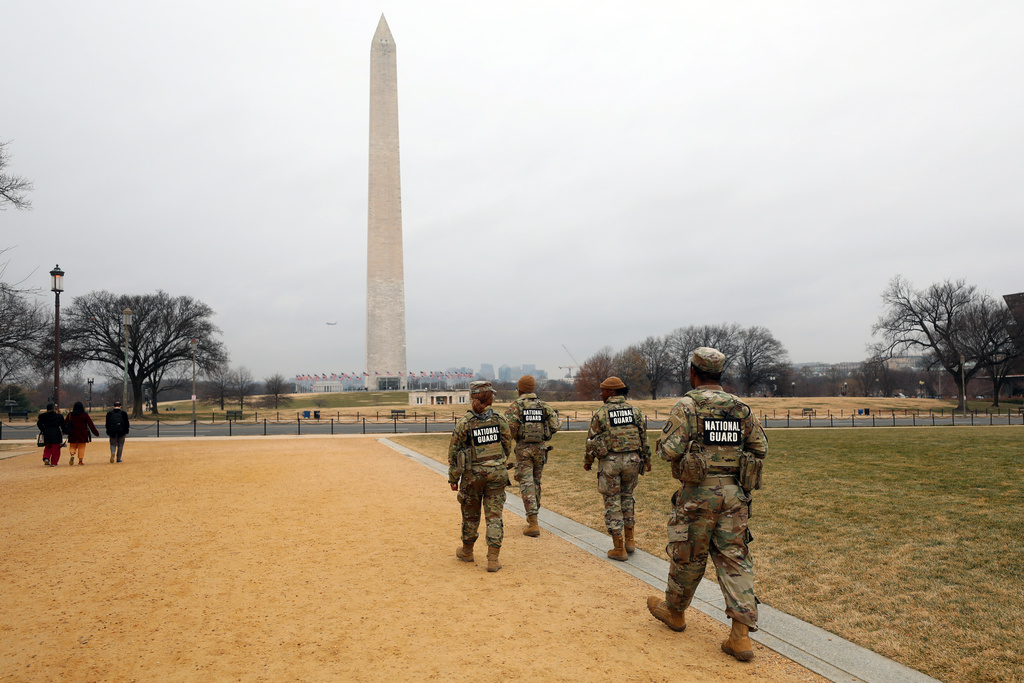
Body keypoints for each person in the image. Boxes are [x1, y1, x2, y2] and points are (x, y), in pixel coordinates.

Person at [646, 347, 768, 663]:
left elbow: (668, 451)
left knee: (688, 555)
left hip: (698, 495)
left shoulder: (687, 406)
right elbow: (760, 447)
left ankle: (675, 613)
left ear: (693, 372)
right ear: (720, 375)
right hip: (734, 496)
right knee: (735, 559)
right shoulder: (740, 408)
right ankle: (740, 637)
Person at [448, 380, 513, 572]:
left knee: (470, 514)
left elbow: (454, 452)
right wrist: (498, 463)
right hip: (497, 473)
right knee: (494, 516)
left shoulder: (465, 422)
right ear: (490, 397)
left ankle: (467, 551)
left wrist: (453, 478)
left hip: (472, 476)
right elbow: (507, 444)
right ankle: (493, 559)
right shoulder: (499, 419)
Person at [584, 376, 650, 561]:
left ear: (612, 392)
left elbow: (591, 441)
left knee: (612, 502)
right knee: (627, 498)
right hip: (633, 461)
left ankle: (618, 548)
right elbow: (643, 438)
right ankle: (630, 541)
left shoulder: (601, 413)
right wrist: (648, 459)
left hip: (610, 463)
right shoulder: (635, 411)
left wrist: (588, 461)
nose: (601, 393)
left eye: (603, 390)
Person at [503, 374, 560, 537]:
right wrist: (545, 433)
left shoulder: (516, 406)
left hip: (524, 449)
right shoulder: (543, 405)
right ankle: (534, 517)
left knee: (526, 482)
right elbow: (556, 424)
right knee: (536, 482)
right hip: (541, 449)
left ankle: (533, 522)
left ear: (520, 389)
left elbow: (509, 431)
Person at [65, 401, 100, 466]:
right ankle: (80, 461)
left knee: (72, 445)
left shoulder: (70, 415)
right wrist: (96, 433)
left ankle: (72, 454)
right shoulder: (85, 415)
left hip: (73, 433)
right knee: (81, 447)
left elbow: (65, 423)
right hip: (83, 433)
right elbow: (90, 424)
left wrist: (64, 431)